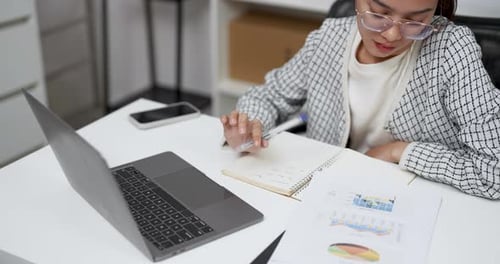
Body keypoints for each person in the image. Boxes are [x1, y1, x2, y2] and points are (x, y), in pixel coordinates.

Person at [220, 0, 500, 199]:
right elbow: (268, 97)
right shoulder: (330, 37)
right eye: (379, 14)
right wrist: (248, 126)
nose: (392, 34)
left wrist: (401, 151)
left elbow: (494, 172)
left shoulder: (451, 48)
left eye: (416, 21)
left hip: (412, 201)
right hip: (325, 194)